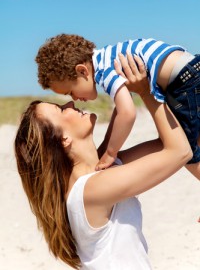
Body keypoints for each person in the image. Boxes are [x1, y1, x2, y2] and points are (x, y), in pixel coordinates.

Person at [15, 55, 192, 269]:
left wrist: (127, 90)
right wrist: (146, 91)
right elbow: (179, 151)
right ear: (63, 140)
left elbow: (173, 142)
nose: (70, 103)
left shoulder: (97, 175)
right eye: (61, 110)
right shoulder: (91, 190)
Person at [35, 34, 200, 178]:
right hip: (191, 71)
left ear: (82, 71)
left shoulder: (104, 71)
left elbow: (127, 113)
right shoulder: (107, 57)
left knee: (188, 150)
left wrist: (110, 153)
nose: (75, 99)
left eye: (71, 92)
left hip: (185, 82)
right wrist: (105, 146)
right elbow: (120, 109)